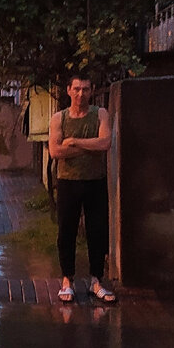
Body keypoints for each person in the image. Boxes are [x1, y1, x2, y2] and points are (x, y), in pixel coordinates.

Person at [48, 73, 115, 304]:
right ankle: (67, 279)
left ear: (91, 90)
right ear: (68, 90)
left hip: (95, 180)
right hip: (68, 181)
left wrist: (75, 142)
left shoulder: (100, 114)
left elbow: (106, 143)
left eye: (85, 89)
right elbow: (55, 151)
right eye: (76, 89)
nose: (81, 94)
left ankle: (96, 280)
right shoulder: (59, 118)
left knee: (97, 231)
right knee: (66, 232)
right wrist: (92, 146)